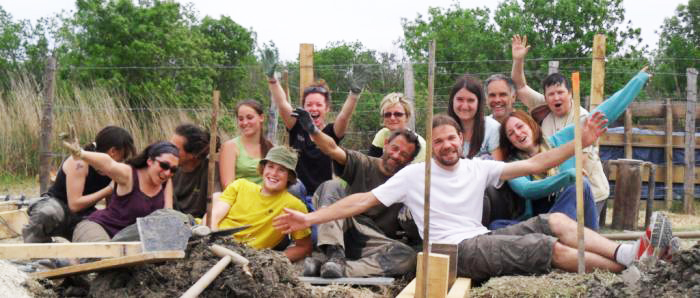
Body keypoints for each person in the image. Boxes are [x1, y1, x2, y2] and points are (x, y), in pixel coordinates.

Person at [274, 113, 678, 282]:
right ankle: (627, 270)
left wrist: (581, 142)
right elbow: (358, 202)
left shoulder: (478, 167)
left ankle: (631, 257)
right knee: (546, 247)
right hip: (452, 252)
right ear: (432, 147)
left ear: (461, 140)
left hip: (480, 235)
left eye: (452, 138)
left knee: (554, 221)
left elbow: (535, 166)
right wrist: (309, 220)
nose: (447, 145)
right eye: (439, 141)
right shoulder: (415, 174)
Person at [293, 107, 420, 277]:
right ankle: (334, 254)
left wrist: (410, 217)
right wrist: (312, 130)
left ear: (410, 160)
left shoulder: (410, 181)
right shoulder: (364, 163)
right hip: (345, 228)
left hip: (374, 242)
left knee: (409, 256)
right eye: (395, 148)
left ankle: (334, 269)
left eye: (404, 154)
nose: (396, 156)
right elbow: (332, 148)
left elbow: (417, 234)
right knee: (332, 186)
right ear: (386, 144)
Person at [23, 126, 136, 243]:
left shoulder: (111, 169)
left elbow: (110, 207)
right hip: (59, 205)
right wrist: (108, 190)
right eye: (123, 155)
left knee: (98, 230)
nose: (122, 160)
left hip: (84, 214)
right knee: (47, 212)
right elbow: (74, 205)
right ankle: (32, 246)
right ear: (113, 151)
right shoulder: (80, 163)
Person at [266, 64, 359, 196]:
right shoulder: (295, 125)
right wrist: (272, 80)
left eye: (318, 105)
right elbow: (282, 103)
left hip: (322, 193)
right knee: (293, 188)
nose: (313, 109)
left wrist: (354, 94)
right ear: (303, 107)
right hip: (297, 190)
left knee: (333, 188)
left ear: (327, 108)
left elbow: (344, 117)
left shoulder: (332, 131)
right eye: (308, 105)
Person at [208, 146, 311, 262]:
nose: (274, 173)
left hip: (246, 256)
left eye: (281, 170)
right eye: (270, 166)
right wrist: (212, 241)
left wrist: (275, 259)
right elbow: (214, 216)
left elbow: (304, 247)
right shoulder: (240, 185)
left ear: (289, 176)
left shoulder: (294, 206)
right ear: (263, 169)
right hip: (213, 240)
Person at [498, 110, 598, 230]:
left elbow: (600, 115)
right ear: (510, 142)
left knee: (581, 183)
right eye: (511, 133)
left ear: (531, 125)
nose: (518, 133)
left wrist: (627, 91)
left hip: (563, 217)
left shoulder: (558, 141)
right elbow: (527, 189)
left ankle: (591, 241)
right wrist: (565, 177)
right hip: (536, 224)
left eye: (520, 126)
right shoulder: (512, 165)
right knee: (496, 225)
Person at [64, 139, 179, 242]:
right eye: (164, 165)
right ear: (150, 161)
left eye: (173, 169)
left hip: (129, 239)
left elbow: (167, 214)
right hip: (99, 227)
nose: (168, 173)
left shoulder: (166, 182)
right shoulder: (129, 174)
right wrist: (81, 153)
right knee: (104, 258)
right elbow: (108, 164)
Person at [170, 123, 221, 218]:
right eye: (169, 145)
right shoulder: (166, 168)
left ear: (193, 154)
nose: (169, 151)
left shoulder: (211, 170)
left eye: (175, 149)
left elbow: (217, 198)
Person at [447, 74, 503, 160]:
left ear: (479, 103)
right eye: (460, 99)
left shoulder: (492, 128)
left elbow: (498, 168)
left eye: (470, 100)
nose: (465, 106)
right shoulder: (443, 129)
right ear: (452, 101)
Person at [219, 100, 273, 187]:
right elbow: (228, 186)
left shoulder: (269, 147)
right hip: (241, 198)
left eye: (249, 117)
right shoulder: (230, 147)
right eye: (241, 119)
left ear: (261, 118)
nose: (244, 122)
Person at [367, 92, 426, 163]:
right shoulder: (383, 134)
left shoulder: (420, 145)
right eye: (387, 114)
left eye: (398, 114)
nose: (392, 118)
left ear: (407, 117)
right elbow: (371, 164)